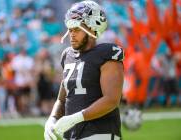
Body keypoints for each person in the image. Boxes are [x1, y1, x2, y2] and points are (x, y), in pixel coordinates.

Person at [44, 1, 124, 140]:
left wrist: (76, 117)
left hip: (100, 133)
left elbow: (112, 99)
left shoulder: (107, 53)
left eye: (76, 29)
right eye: (70, 29)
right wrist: (52, 118)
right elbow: (62, 99)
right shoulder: (67, 56)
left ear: (92, 27)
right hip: (73, 134)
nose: (71, 34)